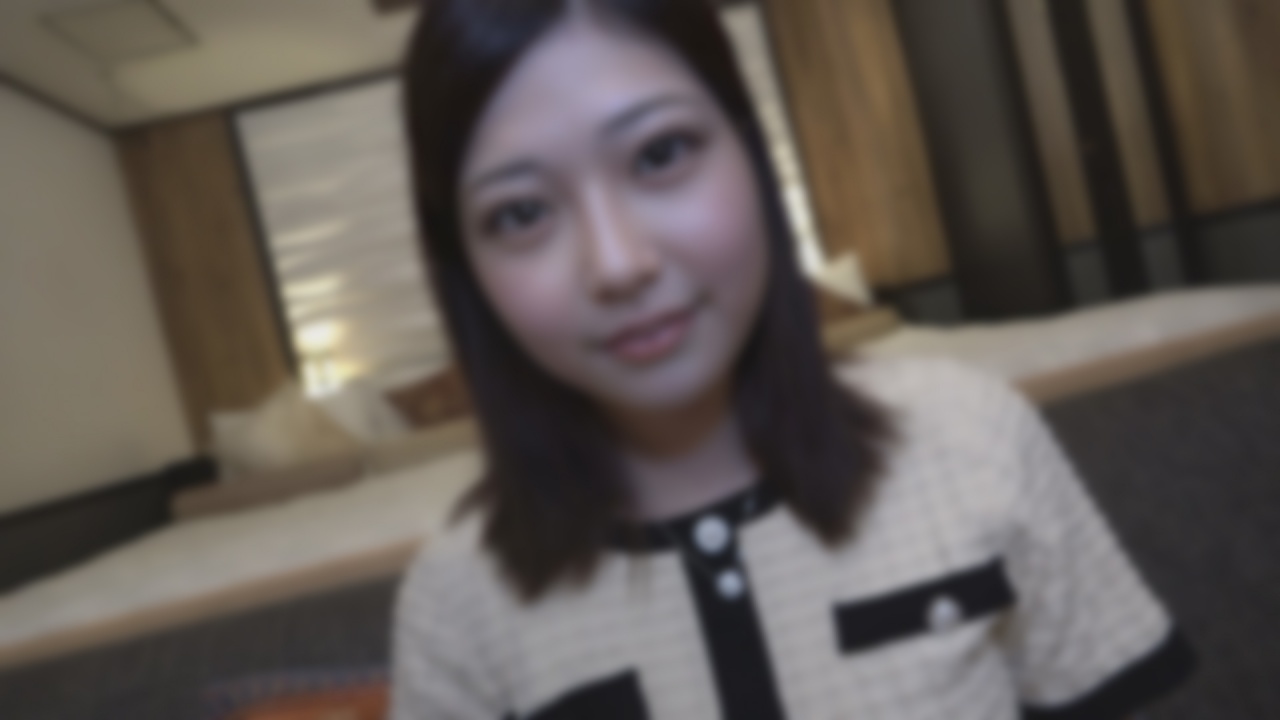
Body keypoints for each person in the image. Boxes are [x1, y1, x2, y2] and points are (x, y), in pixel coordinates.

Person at [390, 1, 1194, 718]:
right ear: (465, 268)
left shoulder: (971, 435)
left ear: (751, 154)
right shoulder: (457, 602)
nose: (618, 263)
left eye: (661, 153)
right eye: (520, 213)